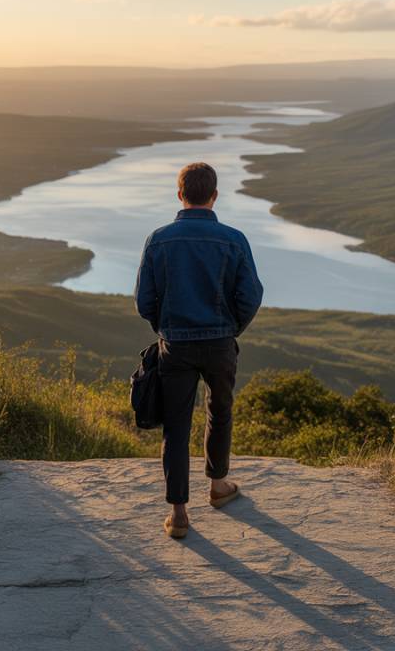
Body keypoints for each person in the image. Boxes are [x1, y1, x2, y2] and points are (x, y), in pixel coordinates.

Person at [134, 162, 264, 539]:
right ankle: (218, 486)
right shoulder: (234, 239)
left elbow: (144, 301)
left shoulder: (158, 239)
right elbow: (251, 296)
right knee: (219, 412)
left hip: (175, 345)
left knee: (176, 425)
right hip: (220, 343)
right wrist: (229, 329)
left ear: (180, 195)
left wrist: (167, 328)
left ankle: (178, 514)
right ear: (214, 196)